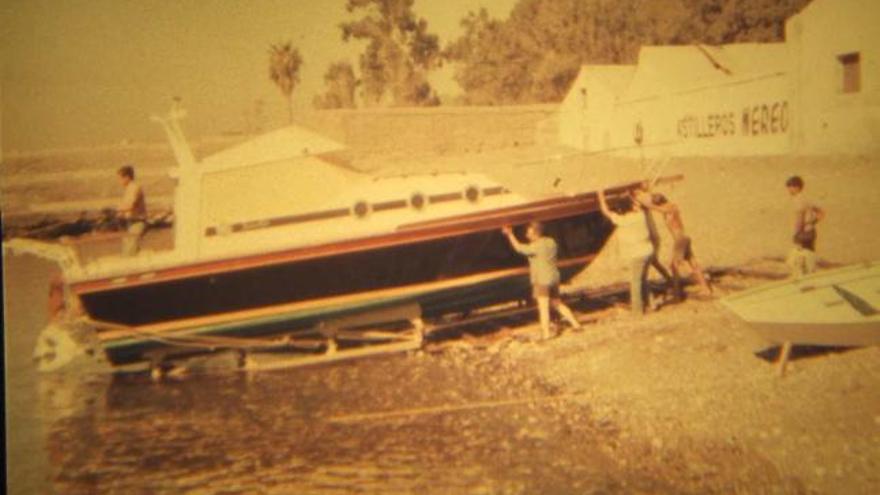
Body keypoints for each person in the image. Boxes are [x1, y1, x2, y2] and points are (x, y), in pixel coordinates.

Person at [502, 222, 582, 339]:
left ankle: (546, 335)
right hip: (554, 278)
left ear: (535, 233)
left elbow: (519, 248)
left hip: (542, 280)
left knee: (543, 307)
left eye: (528, 233)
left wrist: (510, 234)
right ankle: (576, 325)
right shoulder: (551, 242)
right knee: (557, 304)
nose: (526, 235)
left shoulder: (535, 247)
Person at [634, 193, 712, 299]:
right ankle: (705, 289)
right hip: (684, 238)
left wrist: (641, 201)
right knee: (694, 265)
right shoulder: (673, 206)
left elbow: (654, 207)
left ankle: (677, 293)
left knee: (674, 266)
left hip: (679, 240)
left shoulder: (668, 209)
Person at [597, 189, 655, 315]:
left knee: (635, 282)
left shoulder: (622, 220)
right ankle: (651, 304)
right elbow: (639, 204)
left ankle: (637, 311)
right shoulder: (640, 215)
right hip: (648, 251)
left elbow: (606, 211)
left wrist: (601, 197)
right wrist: (631, 194)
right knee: (643, 279)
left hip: (636, 255)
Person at [785, 176, 825, 276]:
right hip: (811, 232)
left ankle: (805, 278)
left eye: (791, 186)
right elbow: (821, 212)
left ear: (797, 187)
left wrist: (796, 234)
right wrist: (812, 222)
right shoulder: (807, 199)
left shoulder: (798, 200)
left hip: (803, 233)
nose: (789, 189)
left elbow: (799, 219)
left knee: (798, 258)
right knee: (808, 255)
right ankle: (810, 275)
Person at [117, 165, 147, 256]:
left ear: (127, 177)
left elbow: (131, 205)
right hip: (130, 223)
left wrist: (118, 210)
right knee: (128, 248)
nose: (119, 181)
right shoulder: (129, 189)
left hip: (137, 222)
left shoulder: (135, 188)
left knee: (129, 251)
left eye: (120, 179)